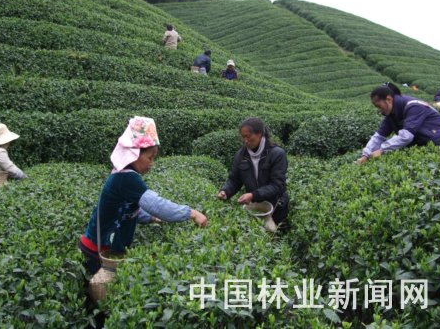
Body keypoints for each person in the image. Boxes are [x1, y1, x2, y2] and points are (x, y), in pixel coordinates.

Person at [79, 116, 207, 275]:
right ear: (134, 153)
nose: (152, 163)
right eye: (149, 157)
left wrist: (151, 218)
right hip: (98, 251)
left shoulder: (125, 176)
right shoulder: (126, 178)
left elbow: (129, 209)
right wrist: (191, 213)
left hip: (104, 248)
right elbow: (156, 205)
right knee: (103, 294)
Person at [217, 118, 289, 232]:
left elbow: (277, 185)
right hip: (255, 206)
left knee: (278, 237)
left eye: (248, 136)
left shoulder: (276, 154)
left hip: (276, 205)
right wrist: (226, 191)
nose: (245, 140)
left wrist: (253, 195)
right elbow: (234, 179)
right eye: (243, 137)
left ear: (260, 134)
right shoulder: (241, 155)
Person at [356, 83, 440, 165]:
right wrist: (366, 154)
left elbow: (406, 136)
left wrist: (382, 150)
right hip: (424, 143)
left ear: (388, 99)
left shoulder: (414, 106)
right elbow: (379, 136)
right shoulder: (391, 113)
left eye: (379, 106)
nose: (380, 110)